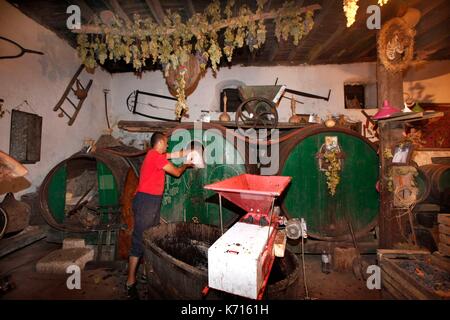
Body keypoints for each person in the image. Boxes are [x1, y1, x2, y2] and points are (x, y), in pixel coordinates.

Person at [126, 132, 193, 299]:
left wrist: (186, 152)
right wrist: (186, 165)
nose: (168, 146)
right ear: (161, 142)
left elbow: (171, 154)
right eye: (167, 143)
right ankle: (130, 281)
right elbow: (177, 172)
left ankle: (144, 273)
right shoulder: (156, 157)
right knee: (139, 240)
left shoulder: (152, 154)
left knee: (149, 237)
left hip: (151, 201)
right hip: (146, 202)